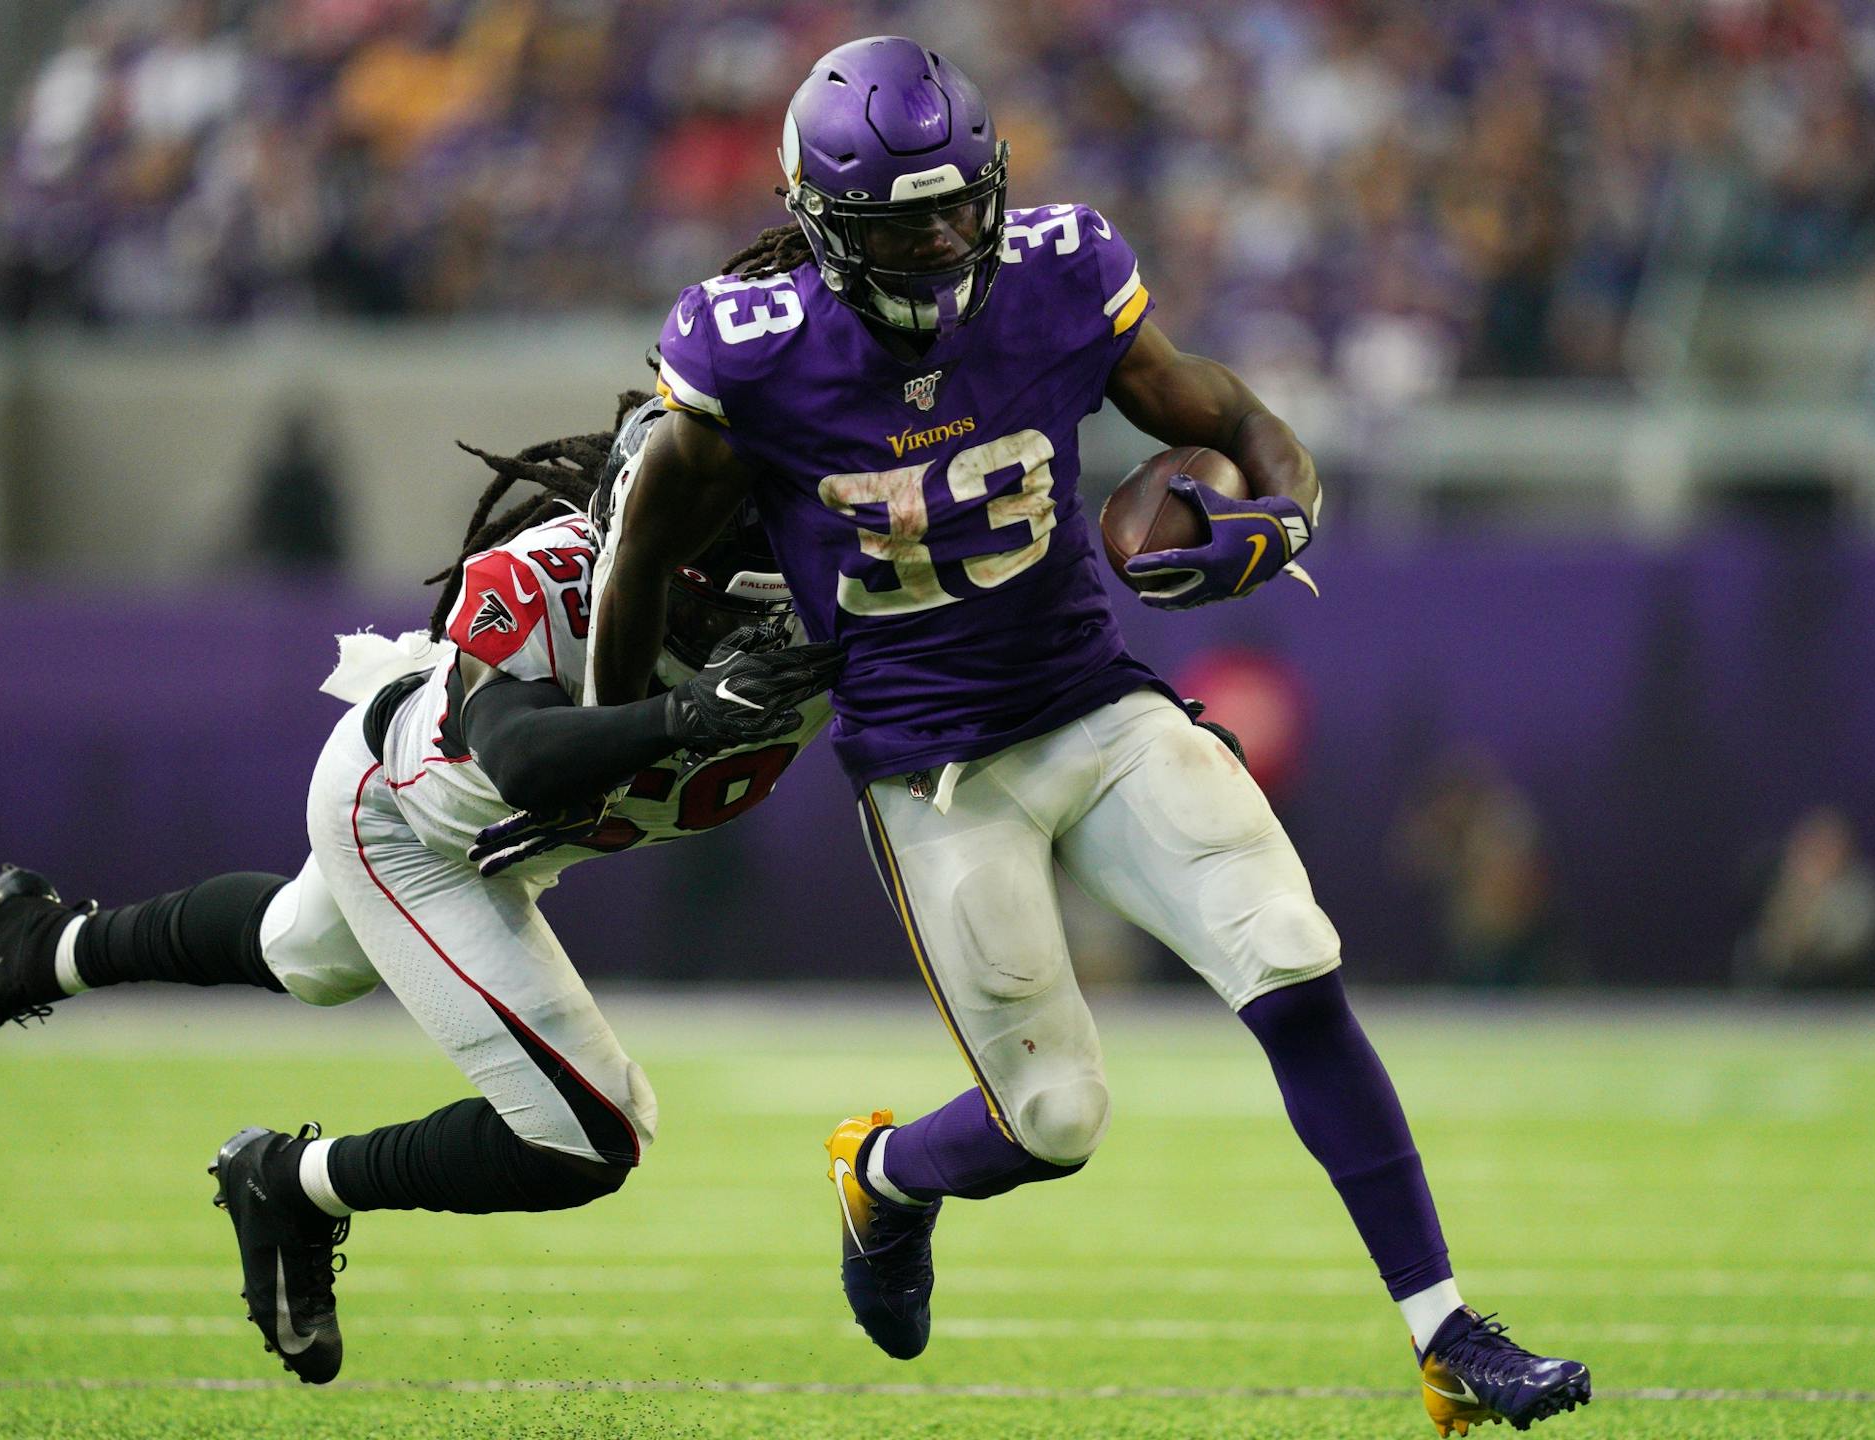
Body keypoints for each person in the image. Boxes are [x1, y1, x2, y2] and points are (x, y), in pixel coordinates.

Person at [590, 37, 1591, 1436]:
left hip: (1091, 707)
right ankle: (882, 1178)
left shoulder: (1059, 273)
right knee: (1053, 1119)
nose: (943, 242)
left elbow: (1228, 413)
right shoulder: (753, 353)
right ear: (825, 224)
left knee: (1292, 960)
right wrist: (621, 731)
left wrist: (1286, 509)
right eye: (904, 221)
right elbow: (639, 551)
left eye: (957, 204)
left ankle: (1443, 1337)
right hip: (935, 772)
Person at [0, 394, 838, 1385]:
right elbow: (519, 756)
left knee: (301, 954)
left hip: (501, 843)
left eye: (732, 611)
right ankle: (293, 1184)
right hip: (404, 813)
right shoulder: (548, 576)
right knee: (590, 1131)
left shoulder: (834, 616)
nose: (706, 627)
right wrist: (678, 716)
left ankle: (37, 945)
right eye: (688, 595)